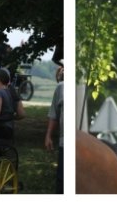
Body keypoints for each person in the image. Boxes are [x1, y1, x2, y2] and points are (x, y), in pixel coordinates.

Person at [45, 66, 64, 194]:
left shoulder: (61, 86)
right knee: (61, 178)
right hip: (64, 141)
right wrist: (48, 136)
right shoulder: (61, 87)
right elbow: (54, 115)